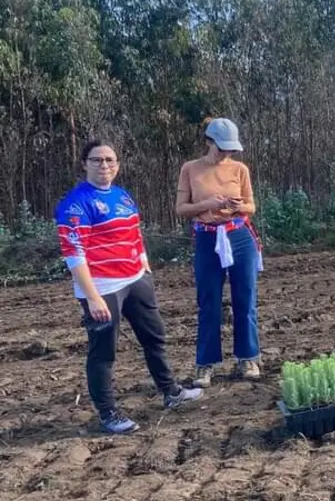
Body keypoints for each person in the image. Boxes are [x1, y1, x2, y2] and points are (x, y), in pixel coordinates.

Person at [56, 139, 202, 434]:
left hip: (136, 278)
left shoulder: (122, 196)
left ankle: (171, 392)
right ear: (84, 164)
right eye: (97, 160)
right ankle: (108, 413)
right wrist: (93, 297)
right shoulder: (75, 204)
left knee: (154, 337)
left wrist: (144, 263)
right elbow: (74, 254)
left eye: (109, 160)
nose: (104, 165)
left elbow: (135, 232)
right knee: (104, 352)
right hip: (102, 286)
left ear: (118, 165)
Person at [175, 118, 263, 387]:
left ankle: (247, 357)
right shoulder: (190, 169)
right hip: (207, 237)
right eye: (221, 148)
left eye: (230, 149)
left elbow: (251, 207)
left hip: (239, 235)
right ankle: (205, 363)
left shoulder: (240, 169)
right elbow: (181, 208)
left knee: (245, 298)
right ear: (208, 142)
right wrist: (207, 204)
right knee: (209, 301)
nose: (225, 153)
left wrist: (237, 207)